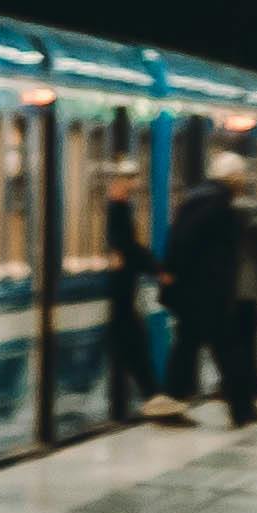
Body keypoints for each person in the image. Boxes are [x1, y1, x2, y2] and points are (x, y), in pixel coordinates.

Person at [166, 151, 257, 426]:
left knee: (188, 347)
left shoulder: (202, 197)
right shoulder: (216, 202)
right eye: (242, 175)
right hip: (208, 293)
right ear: (233, 177)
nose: (244, 180)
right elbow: (188, 243)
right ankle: (242, 410)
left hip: (199, 292)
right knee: (228, 349)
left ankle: (170, 403)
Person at [97, 164, 161, 423]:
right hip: (122, 292)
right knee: (132, 342)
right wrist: (157, 268)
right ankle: (150, 395)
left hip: (124, 292)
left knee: (130, 342)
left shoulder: (119, 210)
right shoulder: (117, 212)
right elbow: (128, 247)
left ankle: (148, 395)